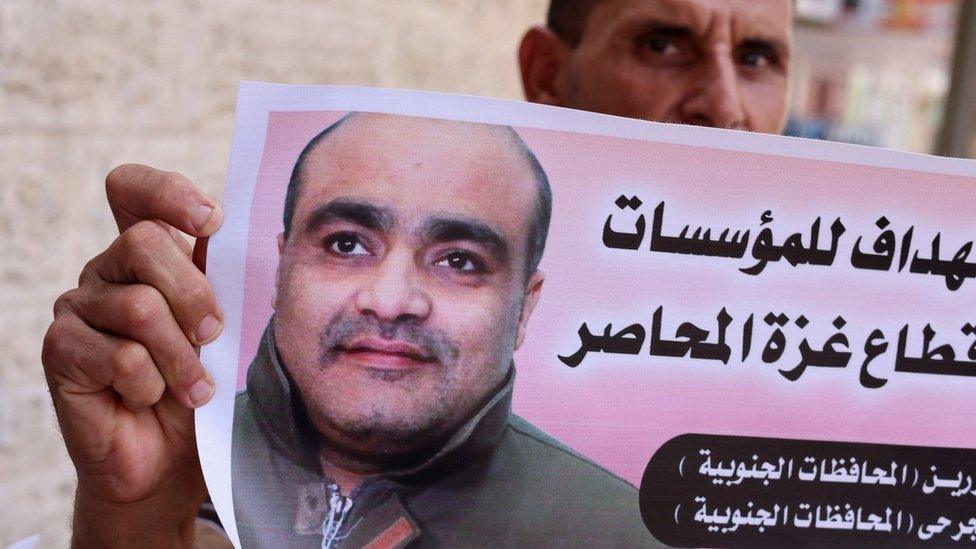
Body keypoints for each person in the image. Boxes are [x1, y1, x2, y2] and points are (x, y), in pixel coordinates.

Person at [40, 0, 793, 546]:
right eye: (663, 43)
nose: (725, 105)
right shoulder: (201, 438)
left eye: (758, 57)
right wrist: (130, 517)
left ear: (526, 304)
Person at [232, 112, 652, 547]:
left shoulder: (618, 534)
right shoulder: (176, 459)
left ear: (524, 306)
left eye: (458, 261)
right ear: (282, 269)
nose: (391, 302)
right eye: (347, 244)